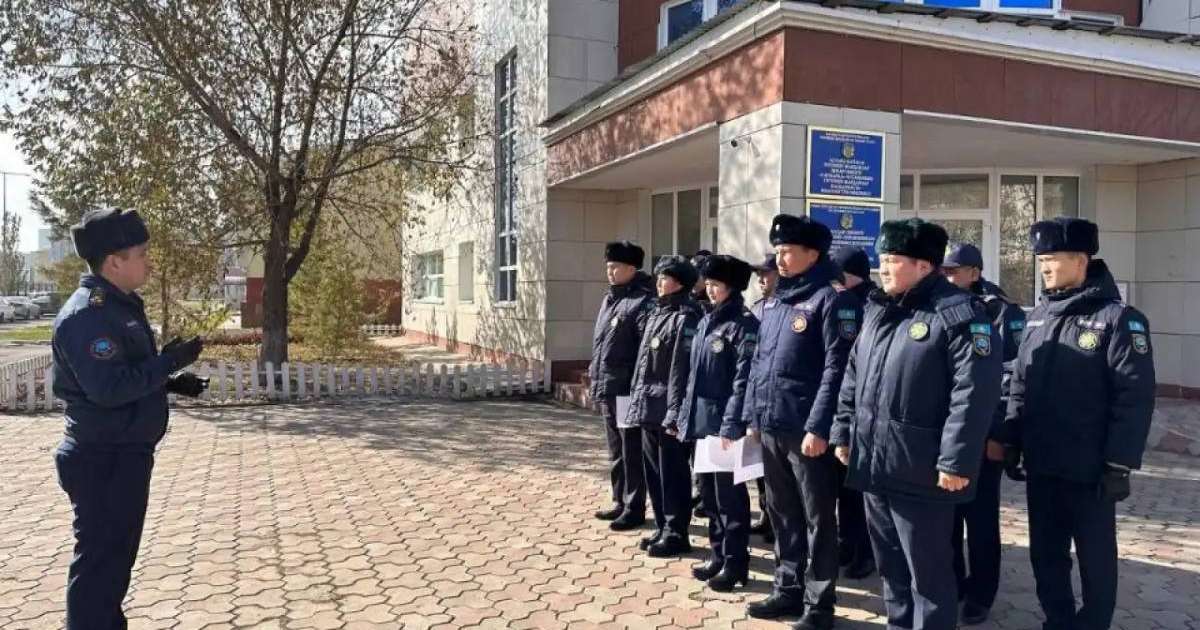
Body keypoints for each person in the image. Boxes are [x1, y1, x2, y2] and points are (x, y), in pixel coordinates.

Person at [831, 218, 1002, 630]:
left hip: (923, 471)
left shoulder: (959, 315)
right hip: (874, 464)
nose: (882, 269)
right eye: (881, 260)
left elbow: (973, 394)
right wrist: (843, 431)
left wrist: (956, 461)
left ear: (924, 265)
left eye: (892, 261)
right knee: (892, 569)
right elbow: (853, 376)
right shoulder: (878, 310)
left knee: (929, 575)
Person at [52, 208, 208, 630]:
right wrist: (168, 361)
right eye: (141, 253)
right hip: (103, 459)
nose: (149, 261)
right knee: (99, 573)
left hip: (122, 455)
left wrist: (171, 381)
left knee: (111, 570)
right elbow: (108, 390)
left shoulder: (118, 306)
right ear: (114, 260)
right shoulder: (89, 315)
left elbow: (122, 373)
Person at [1000, 217, 1155, 630]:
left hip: (1091, 471)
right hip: (1043, 464)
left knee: (1095, 558)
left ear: (1082, 260)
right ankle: (1059, 620)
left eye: (1051, 259)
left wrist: (1119, 463)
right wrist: (1013, 438)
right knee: (1045, 555)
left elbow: (1134, 397)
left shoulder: (1119, 319)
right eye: (1041, 260)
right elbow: (1019, 383)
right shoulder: (1038, 317)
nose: (1044, 267)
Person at [740, 215, 863, 629]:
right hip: (773, 424)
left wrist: (820, 427)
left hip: (806, 431)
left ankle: (819, 604)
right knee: (781, 512)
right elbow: (761, 364)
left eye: (788, 251)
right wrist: (754, 416)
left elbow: (838, 368)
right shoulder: (776, 300)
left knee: (817, 518)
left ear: (813, 254)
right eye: (777, 251)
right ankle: (787, 589)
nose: (780, 258)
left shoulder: (832, 298)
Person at [940, 242, 1026, 625]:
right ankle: (954, 581)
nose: (948, 277)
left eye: (954, 271)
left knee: (981, 521)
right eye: (944, 271)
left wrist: (998, 436)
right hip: (945, 435)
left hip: (982, 436)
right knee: (946, 517)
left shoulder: (1002, 313)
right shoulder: (942, 309)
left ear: (974, 273)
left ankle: (981, 592)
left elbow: (1009, 380)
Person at [676, 255, 758, 592]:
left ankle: (736, 561)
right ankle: (718, 554)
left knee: (730, 499)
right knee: (708, 495)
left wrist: (730, 425)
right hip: (702, 424)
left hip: (726, 427)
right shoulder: (709, 320)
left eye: (717, 285)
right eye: (707, 284)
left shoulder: (744, 325)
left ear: (733, 287)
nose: (710, 291)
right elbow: (692, 377)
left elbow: (744, 381)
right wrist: (683, 417)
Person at [628, 255, 704, 557]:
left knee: (673, 473)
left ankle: (676, 532)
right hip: (649, 406)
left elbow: (679, 371)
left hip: (669, 411)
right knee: (654, 472)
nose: (660, 282)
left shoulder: (687, 316)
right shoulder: (657, 313)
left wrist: (674, 412)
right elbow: (643, 364)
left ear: (681, 283)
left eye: (666, 278)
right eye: (658, 277)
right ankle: (661, 526)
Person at [588, 241, 655, 531]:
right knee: (615, 449)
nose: (610, 272)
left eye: (615, 267)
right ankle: (619, 499)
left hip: (627, 388)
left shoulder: (643, 300)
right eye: (608, 267)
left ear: (631, 268)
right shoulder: (610, 298)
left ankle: (634, 506)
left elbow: (643, 352)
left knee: (631, 449)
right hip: (608, 385)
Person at [828, 245, 876, 580]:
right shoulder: (848, 299)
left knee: (858, 491)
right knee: (845, 487)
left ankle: (865, 552)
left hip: (863, 410)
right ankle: (847, 543)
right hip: (846, 407)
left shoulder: (868, 303)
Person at [748, 253, 778, 545]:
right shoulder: (756, 310)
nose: (761, 279)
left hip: (778, 403)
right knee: (760, 467)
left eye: (766, 274)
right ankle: (766, 514)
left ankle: (777, 520)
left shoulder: (786, 308)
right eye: (759, 275)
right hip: (757, 396)